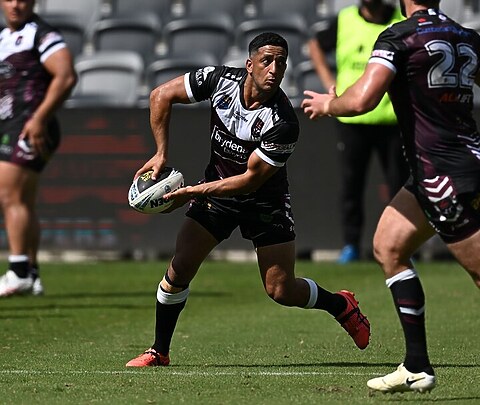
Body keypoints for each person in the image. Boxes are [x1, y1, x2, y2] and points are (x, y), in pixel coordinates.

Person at [126, 32, 371, 368]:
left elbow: (249, 181)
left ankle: (340, 306)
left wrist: (190, 193)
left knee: (280, 290)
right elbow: (160, 95)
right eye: (267, 61)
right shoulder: (218, 80)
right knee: (180, 267)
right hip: (217, 194)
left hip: (264, 201)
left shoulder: (283, 122)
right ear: (249, 64)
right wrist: (160, 153)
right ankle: (159, 351)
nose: (274, 69)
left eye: (281, 63)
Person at [302, 0, 480, 394]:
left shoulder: (400, 37)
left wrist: (329, 103)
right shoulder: (465, 35)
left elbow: (363, 100)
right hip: (444, 169)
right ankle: (416, 365)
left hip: (442, 174)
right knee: (388, 245)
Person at [308, 0, 409, 263]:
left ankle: (403, 245)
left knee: (400, 186)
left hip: (391, 119)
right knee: (352, 185)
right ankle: (351, 245)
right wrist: (330, 82)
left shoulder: (400, 20)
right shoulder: (344, 20)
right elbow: (315, 44)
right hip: (351, 121)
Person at [0, 0, 77, 297]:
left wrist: (39, 118)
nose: (16, 4)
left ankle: (17, 271)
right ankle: (31, 275)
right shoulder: (5, 36)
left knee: (9, 196)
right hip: (13, 124)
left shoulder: (40, 34)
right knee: (23, 202)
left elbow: (66, 75)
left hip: (30, 126)